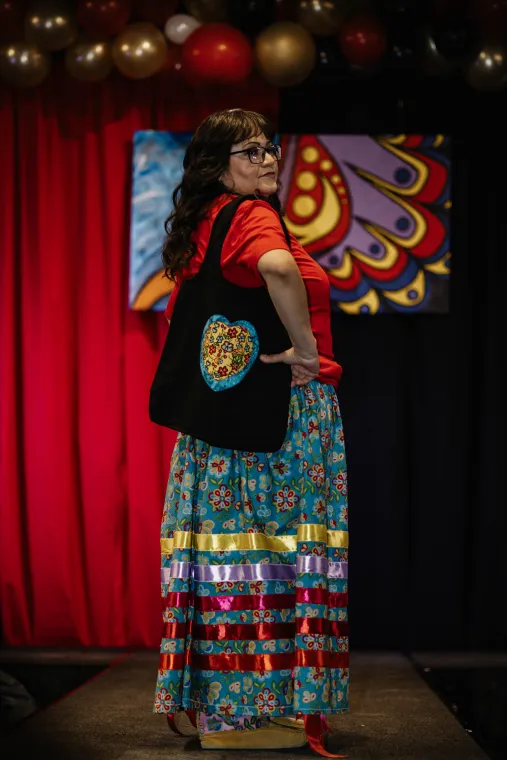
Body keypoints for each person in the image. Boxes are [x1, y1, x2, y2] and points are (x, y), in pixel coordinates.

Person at [152, 109, 349, 757]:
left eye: (268, 149)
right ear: (217, 164)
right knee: (279, 552)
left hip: (215, 430)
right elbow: (279, 269)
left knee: (227, 555)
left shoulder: (207, 217)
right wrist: (306, 347)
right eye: (248, 151)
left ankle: (232, 708)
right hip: (278, 422)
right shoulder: (253, 217)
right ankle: (261, 712)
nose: (266, 160)